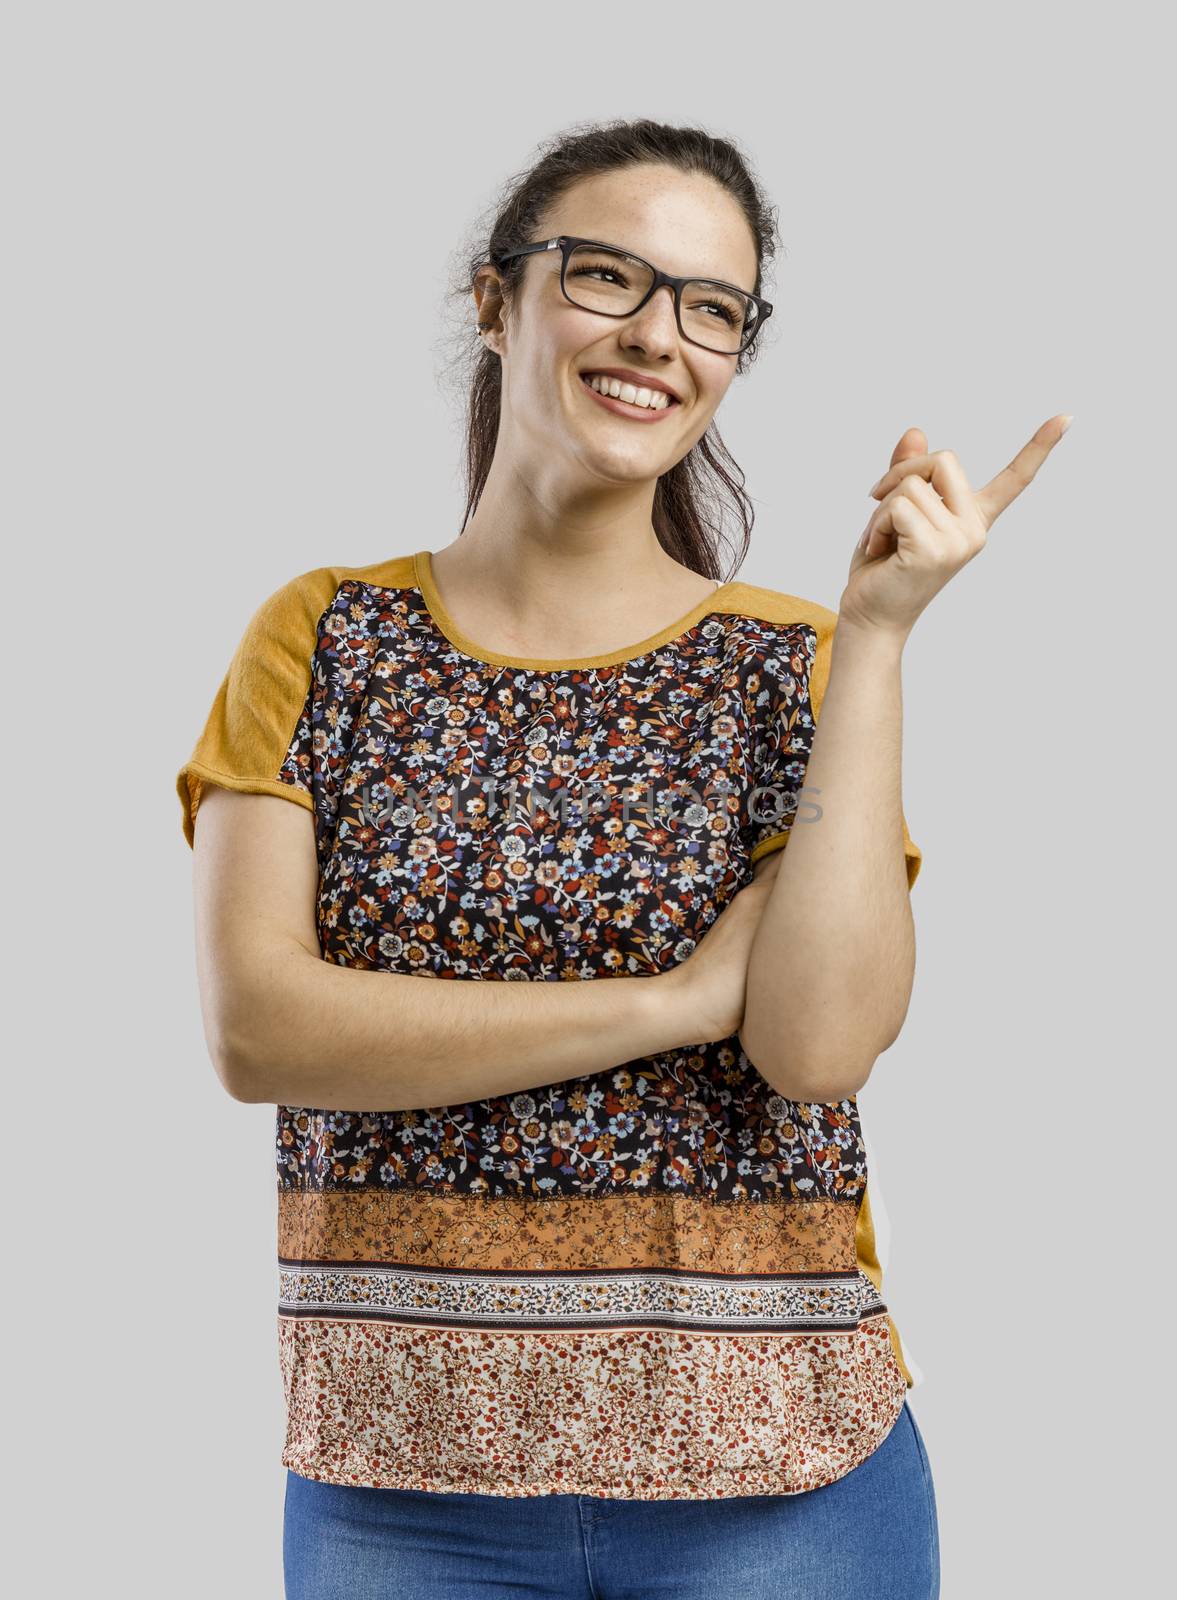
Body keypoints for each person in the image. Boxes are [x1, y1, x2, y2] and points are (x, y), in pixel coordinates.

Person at [177, 116, 1070, 1600]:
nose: (659, 336)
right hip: (402, 1480)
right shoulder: (324, 636)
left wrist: (878, 639)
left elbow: (815, 1043)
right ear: (495, 299)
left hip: (778, 1475)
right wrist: (667, 1003)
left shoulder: (787, 661)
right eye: (609, 278)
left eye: (712, 307)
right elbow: (264, 1031)